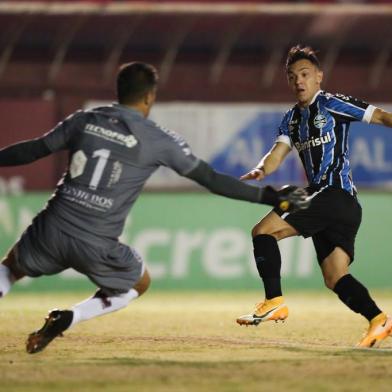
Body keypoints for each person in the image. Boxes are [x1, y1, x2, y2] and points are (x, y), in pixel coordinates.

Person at [0, 62, 309, 354]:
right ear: (150, 96)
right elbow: (211, 180)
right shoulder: (159, 141)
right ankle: (70, 316)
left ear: (118, 91)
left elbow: (34, 149)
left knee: (9, 268)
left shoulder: (85, 120)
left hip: (51, 227)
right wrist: (272, 198)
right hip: (96, 242)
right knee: (139, 282)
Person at [236, 45, 392, 348]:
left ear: (319, 77)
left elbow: (383, 117)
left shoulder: (334, 103)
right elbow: (276, 155)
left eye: (305, 74)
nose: (299, 81)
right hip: (340, 205)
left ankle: (273, 300)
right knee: (335, 276)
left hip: (333, 194)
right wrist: (260, 169)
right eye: (293, 76)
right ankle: (378, 320)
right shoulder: (292, 119)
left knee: (262, 231)